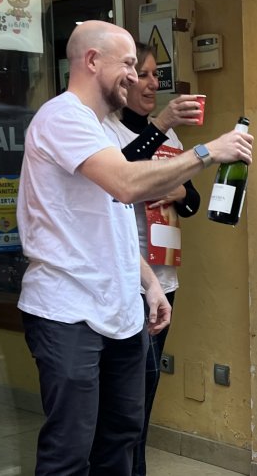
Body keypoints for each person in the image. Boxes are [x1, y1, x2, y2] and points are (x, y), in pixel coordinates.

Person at [17, 20, 253, 475]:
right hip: (68, 313)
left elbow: (114, 221)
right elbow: (126, 185)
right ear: (92, 61)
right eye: (128, 64)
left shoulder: (101, 129)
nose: (136, 75)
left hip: (122, 312)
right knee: (70, 451)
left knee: (122, 441)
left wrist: (149, 284)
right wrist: (207, 153)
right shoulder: (61, 116)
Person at [100, 41, 201, 476]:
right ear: (123, 79)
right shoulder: (108, 130)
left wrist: (174, 189)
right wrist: (160, 124)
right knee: (128, 397)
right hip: (127, 277)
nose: (152, 83)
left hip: (165, 278)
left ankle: (135, 465)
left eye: (156, 74)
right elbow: (120, 175)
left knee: (148, 387)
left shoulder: (170, 138)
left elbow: (192, 201)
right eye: (142, 74)